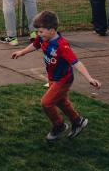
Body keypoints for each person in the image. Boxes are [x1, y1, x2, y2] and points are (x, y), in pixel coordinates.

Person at [11, 11, 100, 142]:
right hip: (53, 77)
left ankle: (59, 126)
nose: (38, 35)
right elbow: (35, 44)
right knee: (61, 101)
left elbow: (76, 62)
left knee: (46, 103)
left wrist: (89, 78)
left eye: (41, 32)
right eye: (38, 32)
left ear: (52, 31)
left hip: (63, 80)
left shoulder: (62, 45)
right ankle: (78, 121)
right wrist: (22, 52)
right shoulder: (43, 38)